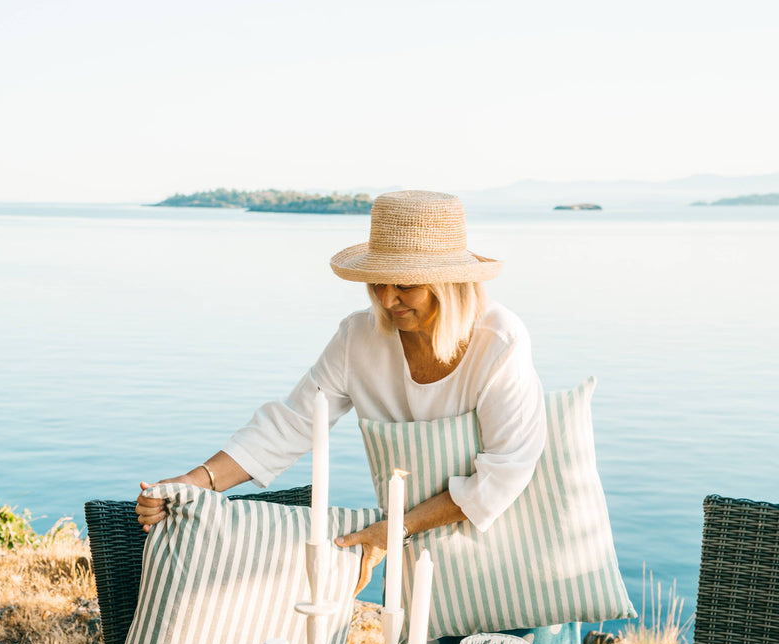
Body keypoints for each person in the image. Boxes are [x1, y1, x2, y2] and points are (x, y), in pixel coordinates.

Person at [136, 191, 547, 610]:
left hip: (517, 564)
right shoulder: (360, 338)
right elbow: (291, 423)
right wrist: (197, 481)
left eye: (404, 285)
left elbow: (506, 471)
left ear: (450, 284)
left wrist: (395, 529)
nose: (387, 300)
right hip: (415, 555)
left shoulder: (499, 341)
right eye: (377, 282)